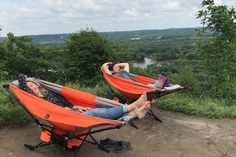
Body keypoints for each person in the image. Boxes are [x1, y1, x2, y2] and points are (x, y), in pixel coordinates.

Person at [18, 74, 150, 120]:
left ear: (36, 84)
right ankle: (133, 107)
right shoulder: (37, 101)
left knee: (100, 110)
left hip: (72, 110)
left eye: (32, 84)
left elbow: (65, 102)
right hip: (65, 117)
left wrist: (76, 106)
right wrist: (69, 111)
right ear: (26, 90)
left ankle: (135, 112)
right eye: (28, 87)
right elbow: (20, 78)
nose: (32, 87)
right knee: (99, 113)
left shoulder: (48, 92)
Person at [102, 62, 170, 89]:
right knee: (151, 86)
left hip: (137, 85)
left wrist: (116, 65)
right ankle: (161, 84)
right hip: (135, 88)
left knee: (151, 83)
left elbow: (126, 64)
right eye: (116, 68)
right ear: (112, 71)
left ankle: (162, 83)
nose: (119, 68)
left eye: (119, 67)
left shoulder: (124, 72)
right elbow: (105, 69)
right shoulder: (114, 76)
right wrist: (105, 65)